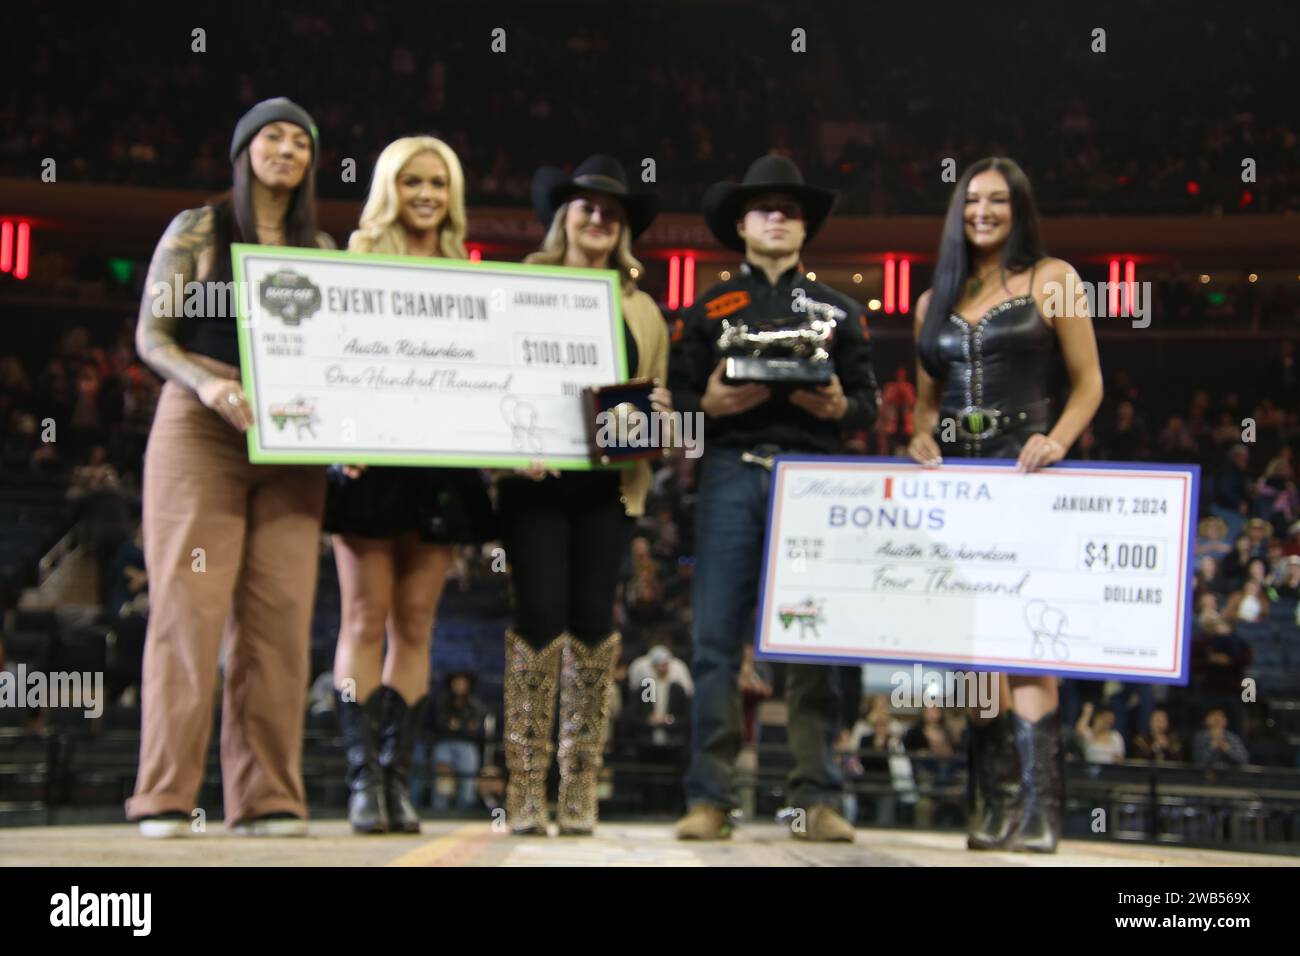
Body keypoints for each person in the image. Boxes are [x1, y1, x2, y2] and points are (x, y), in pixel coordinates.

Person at [126, 98, 334, 838]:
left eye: (300, 142)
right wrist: (206, 383)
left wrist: (352, 430)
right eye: (272, 137)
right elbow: (151, 337)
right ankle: (166, 797)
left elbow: (342, 361)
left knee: (279, 625)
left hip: (291, 443)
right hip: (203, 427)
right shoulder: (199, 227)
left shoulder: (323, 248)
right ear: (244, 150)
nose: (286, 149)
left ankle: (269, 799)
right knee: (188, 614)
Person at [670, 155, 880, 843]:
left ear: (805, 229)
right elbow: (671, 406)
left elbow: (869, 405)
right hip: (731, 469)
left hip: (815, 477)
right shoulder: (705, 310)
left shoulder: (842, 312)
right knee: (714, 642)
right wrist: (705, 400)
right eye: (765, 207)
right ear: (741, 223)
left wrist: (842, 404)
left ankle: (816, 798)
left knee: (814, 641)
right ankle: (710, 798)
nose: (779, 217)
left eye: (791, 210)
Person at [909, 157, 1103, 852]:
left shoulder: (1056, 280)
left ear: (1018, 208)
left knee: (1028, 647)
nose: (983, 211)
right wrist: (922, 440)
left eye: (996, 200)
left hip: (1025, 481)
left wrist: (1055, 440)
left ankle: (1041, 814)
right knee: (972, 657)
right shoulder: (932, 299)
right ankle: (992, 809)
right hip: (959, 491)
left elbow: (1089, 385)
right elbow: (925, 410)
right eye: (971, 201)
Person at [324, 136, 495, 835]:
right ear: (389, 188)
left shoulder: (469, 273)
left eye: (438, 182)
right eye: (412, 181)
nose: (426, 194)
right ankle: (364, 781)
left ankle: (398, 782)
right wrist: (339, 436)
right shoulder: (355, 259)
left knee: (417, 625)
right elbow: (323, 360)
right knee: (364, 618)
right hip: (368, 460)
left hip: (442, 463)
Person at [498, 155, 671, 835]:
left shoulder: (642, 308)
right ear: (562, 216)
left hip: (608, 488)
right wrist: (510, 452)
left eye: (611, 211)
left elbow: (660, 416)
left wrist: (660, 413)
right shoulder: (521, 288)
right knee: (539, 618)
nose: (598, 218)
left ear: (622, 227)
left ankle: (578, 789)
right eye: (586, 206)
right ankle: (524, 791)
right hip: (534, 483)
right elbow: (495, 383)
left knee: (595, 625)